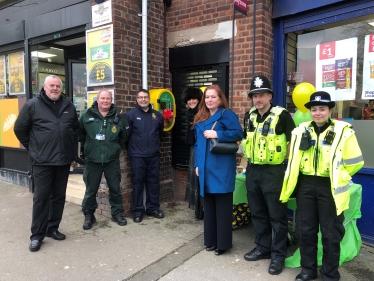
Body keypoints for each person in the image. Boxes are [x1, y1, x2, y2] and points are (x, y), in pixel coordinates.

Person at [280, 91, 364, 281]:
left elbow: (355, 161)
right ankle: (308, 270)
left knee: (330, 234)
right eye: (314, 109)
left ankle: (329, 274)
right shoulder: (300, 130)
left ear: (330, 110)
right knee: (306, 231)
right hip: (306, 186)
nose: (318, 113)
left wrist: (340, 175)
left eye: (322, 109)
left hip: (330, 187)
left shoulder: (343, 132)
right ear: (310, 111)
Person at [14, 75, 80, 252]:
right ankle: (37, 235)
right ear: (44, 87)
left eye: (58, 86)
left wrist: (73, 153)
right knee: (42, 198)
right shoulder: (32, 105)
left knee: (58, 197)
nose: (55, 88)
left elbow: (74, 131)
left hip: (63, 161)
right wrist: (33, 148)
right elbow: (20, 129)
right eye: (52, 85)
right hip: (42, 161)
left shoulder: (68, 105)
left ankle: (53, 228)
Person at [242, 75, 295, 275]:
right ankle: (262, 248)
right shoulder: (249, 116)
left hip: (273, 171)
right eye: (255, 95)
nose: (258, 99)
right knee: (257, 212)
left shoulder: (282, 116)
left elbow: (294, 144)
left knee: (277, 216)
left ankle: (278, 255)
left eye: (262, 94)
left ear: (270, 96)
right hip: (253, 170)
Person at [194, 84, 243, 256]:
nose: (209, 100)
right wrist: (197, 165)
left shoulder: (226, 114)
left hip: (221, 167)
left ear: (221, 99)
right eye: (207, 97)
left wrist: (218, 135)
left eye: (213, 97)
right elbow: (198, 144)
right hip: (205, 167)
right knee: (209, 206)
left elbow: (238, 133)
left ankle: (222, 244)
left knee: (222, 207)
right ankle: (210, 241)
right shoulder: (200, 116)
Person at [78, 89, 129, 229]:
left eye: (108, 98)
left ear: (111, 100)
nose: (105, 101)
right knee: (90, 190)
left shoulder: (118, 117)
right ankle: (89, 216)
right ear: (97, 100)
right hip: (92, 161)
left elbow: (124, 135)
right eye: (103, 98)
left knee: (115, 188)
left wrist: (115, 148)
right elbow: (80, 134)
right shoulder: (86, 116)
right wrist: (89, 147)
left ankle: (117, 214)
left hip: (111, 160)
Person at [124, 89, 164, 223]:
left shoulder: (157, 115)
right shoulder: (130, 115)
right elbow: (126, 136)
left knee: (153, 183)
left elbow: (160, 134)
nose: (143, 99)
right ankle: (138, 210)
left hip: (153, 155)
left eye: (145, 97)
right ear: (136, 99)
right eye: (140, 97)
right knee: (138, 183)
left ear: (149, 99)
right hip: (137, 156)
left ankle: (153, 208)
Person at [182, 87, 204, 220]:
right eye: (188, 99)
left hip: (201, 148)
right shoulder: (190, 113)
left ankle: (202, 209)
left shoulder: (202, 112)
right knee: (194, 179)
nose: (191, 101)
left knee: (200, 178)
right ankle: (198, 209)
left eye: (193, 98)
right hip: (193, 148)